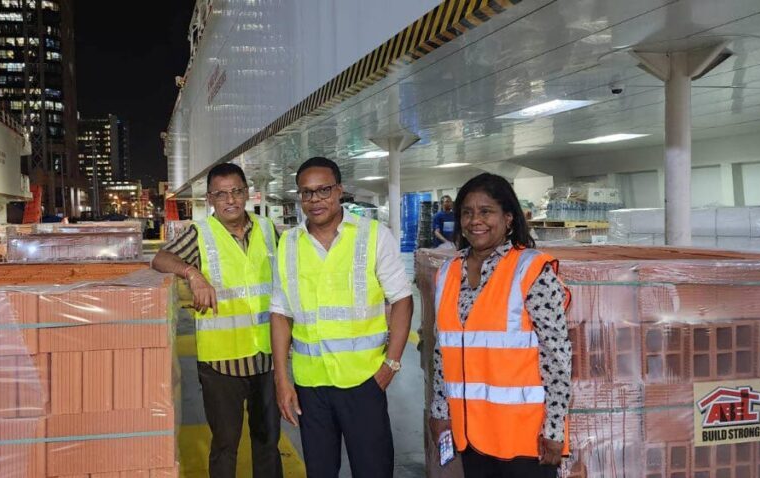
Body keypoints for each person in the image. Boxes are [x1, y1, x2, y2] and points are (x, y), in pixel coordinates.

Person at [270, 157, 414, 478]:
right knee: (320, 471)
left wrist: (391, 364)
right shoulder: (289, 244)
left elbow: (402, 300)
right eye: (306, 193)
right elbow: (281, 314)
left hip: (364, 380)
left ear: (339, 190)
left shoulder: (373, 235)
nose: (315, 200)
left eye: (323, 190)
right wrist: (283, 380)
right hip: (310, 384)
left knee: (373, 470)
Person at [429, 173, 572, 477]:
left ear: (508, 218)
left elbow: (557, 358)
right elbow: (443, 352)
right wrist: (440, 411)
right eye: (466, 212)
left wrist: (555, 428)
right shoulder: (447, 273)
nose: (474, 220)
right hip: (471, 434)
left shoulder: (531, 270)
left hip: (523, 438)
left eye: (486, 211)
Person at [151, 163, 282, 478]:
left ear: (247, 192)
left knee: (268, 442)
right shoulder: (201, 234)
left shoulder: (268, 230)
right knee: (225, 444)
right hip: (221, 365)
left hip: (266, 357)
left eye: (236, 191)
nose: (231, 200)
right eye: (221, 194)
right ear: (210, 199)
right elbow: (159, 259)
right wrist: (192, 274)